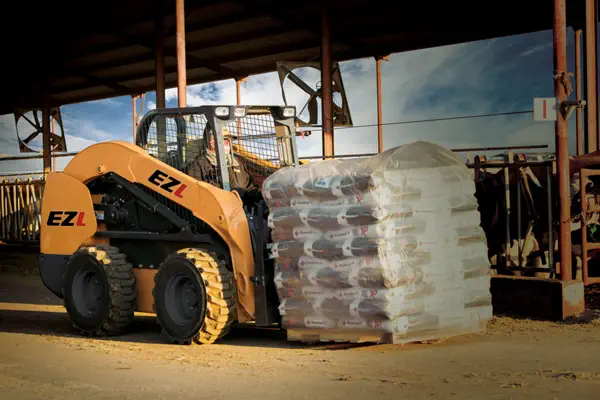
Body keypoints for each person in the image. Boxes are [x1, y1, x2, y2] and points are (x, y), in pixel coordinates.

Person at [187, 126, 261, 206]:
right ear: (212, 142)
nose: (229, 143)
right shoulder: (198, 165)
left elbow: (248, 188)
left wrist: (259, 194)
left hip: (240, 211)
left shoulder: (237, 162)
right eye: (225, 140)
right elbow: (196, 195)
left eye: (230, 140)